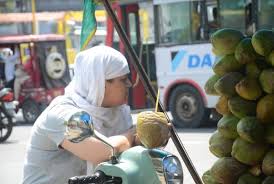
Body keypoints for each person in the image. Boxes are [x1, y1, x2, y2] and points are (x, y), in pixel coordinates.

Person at [23, 45, 137, 184]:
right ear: (99, 83)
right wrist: (134, 135)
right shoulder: (62, 114)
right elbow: (101, 151)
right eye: (123, 79)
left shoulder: (117, 113)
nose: (129, 84)